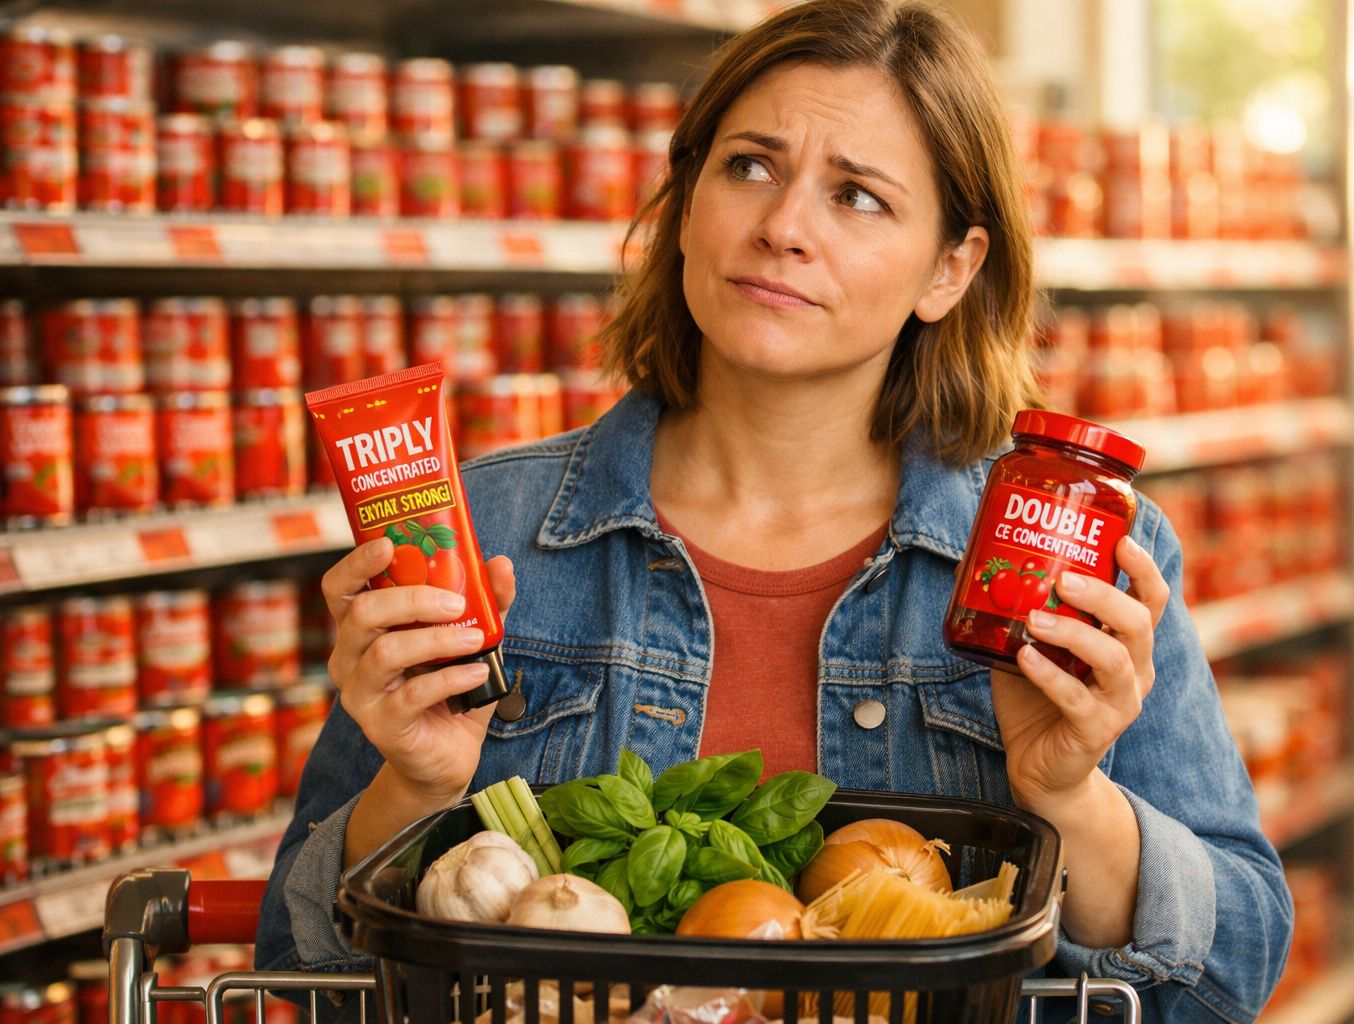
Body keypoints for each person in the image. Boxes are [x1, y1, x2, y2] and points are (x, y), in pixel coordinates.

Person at [256, 1, 1293, 1020]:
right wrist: (414, 792)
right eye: (749, 166)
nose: (782, 227)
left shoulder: (1072, 560)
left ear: (950, 268)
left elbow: (1233, 967)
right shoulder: (487, 531)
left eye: (858, 197)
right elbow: (293, 969)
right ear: (687, 201)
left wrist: (1070, 797)